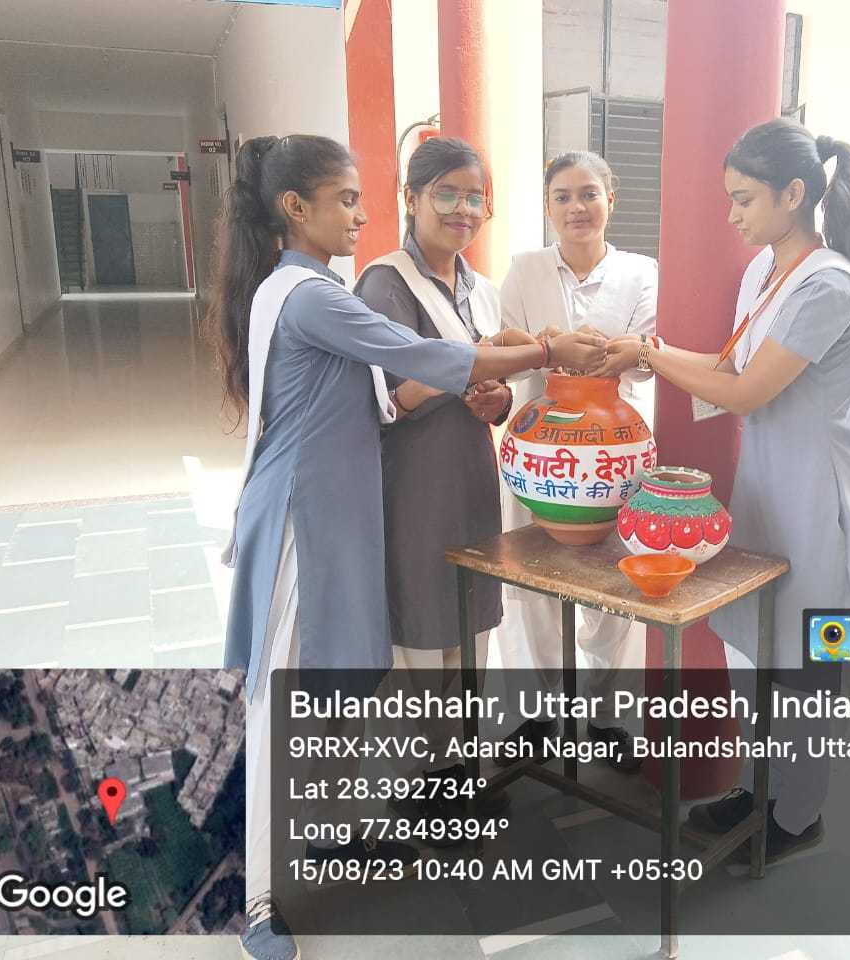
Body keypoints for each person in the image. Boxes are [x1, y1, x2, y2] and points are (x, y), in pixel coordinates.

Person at [208, 134, 605, 960]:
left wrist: (487, 383)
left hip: (338, 512)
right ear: (294, 208)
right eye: (346, 199)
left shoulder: (313, 286)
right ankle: (253, 898)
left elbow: (384, 396)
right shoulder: (314, 295)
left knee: (337, 685)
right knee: (283, 700)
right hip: (301, 518)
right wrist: (546, 350)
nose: (360, 215)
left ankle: (331, 834)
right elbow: (420, 361)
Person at [593, 118, 850, 862]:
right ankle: (762, 789)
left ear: (794, 194)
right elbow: (733, 369)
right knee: (754, 646)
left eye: (744, 199)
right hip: (767, 489)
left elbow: (745, 391)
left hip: (820, 503)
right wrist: (648, 353)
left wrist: (649, 355)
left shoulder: (830, 284)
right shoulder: (763, 272)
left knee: (809, 663)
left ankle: (798, 815)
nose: (731, 215)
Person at [354, 137, 577, 835]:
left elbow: (491, 387)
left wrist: (494, 398)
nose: (462, 209)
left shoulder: (478, 289)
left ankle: (453, 770)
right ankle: (409, 785)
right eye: (445, 194)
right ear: (411, 199)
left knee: (467, 632)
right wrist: (477, 367)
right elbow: (393, 392)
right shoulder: (386, 284)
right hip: (415, 484)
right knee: (420, 635)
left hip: (471, 479)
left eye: (474, 197)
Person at [496, 151, 658, 773]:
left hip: (614, 450)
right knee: (529, 575)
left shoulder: (641, 272)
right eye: (562, 196)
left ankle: (608, 716)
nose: (576, 208)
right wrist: (554, 350)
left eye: (589, 193)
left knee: (616, 579)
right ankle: (537, 714)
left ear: (611, 199)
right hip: (539, 450)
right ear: (547, 207)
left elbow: (644, 358)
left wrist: (578, 353)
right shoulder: (525, 269)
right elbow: (508, 346)